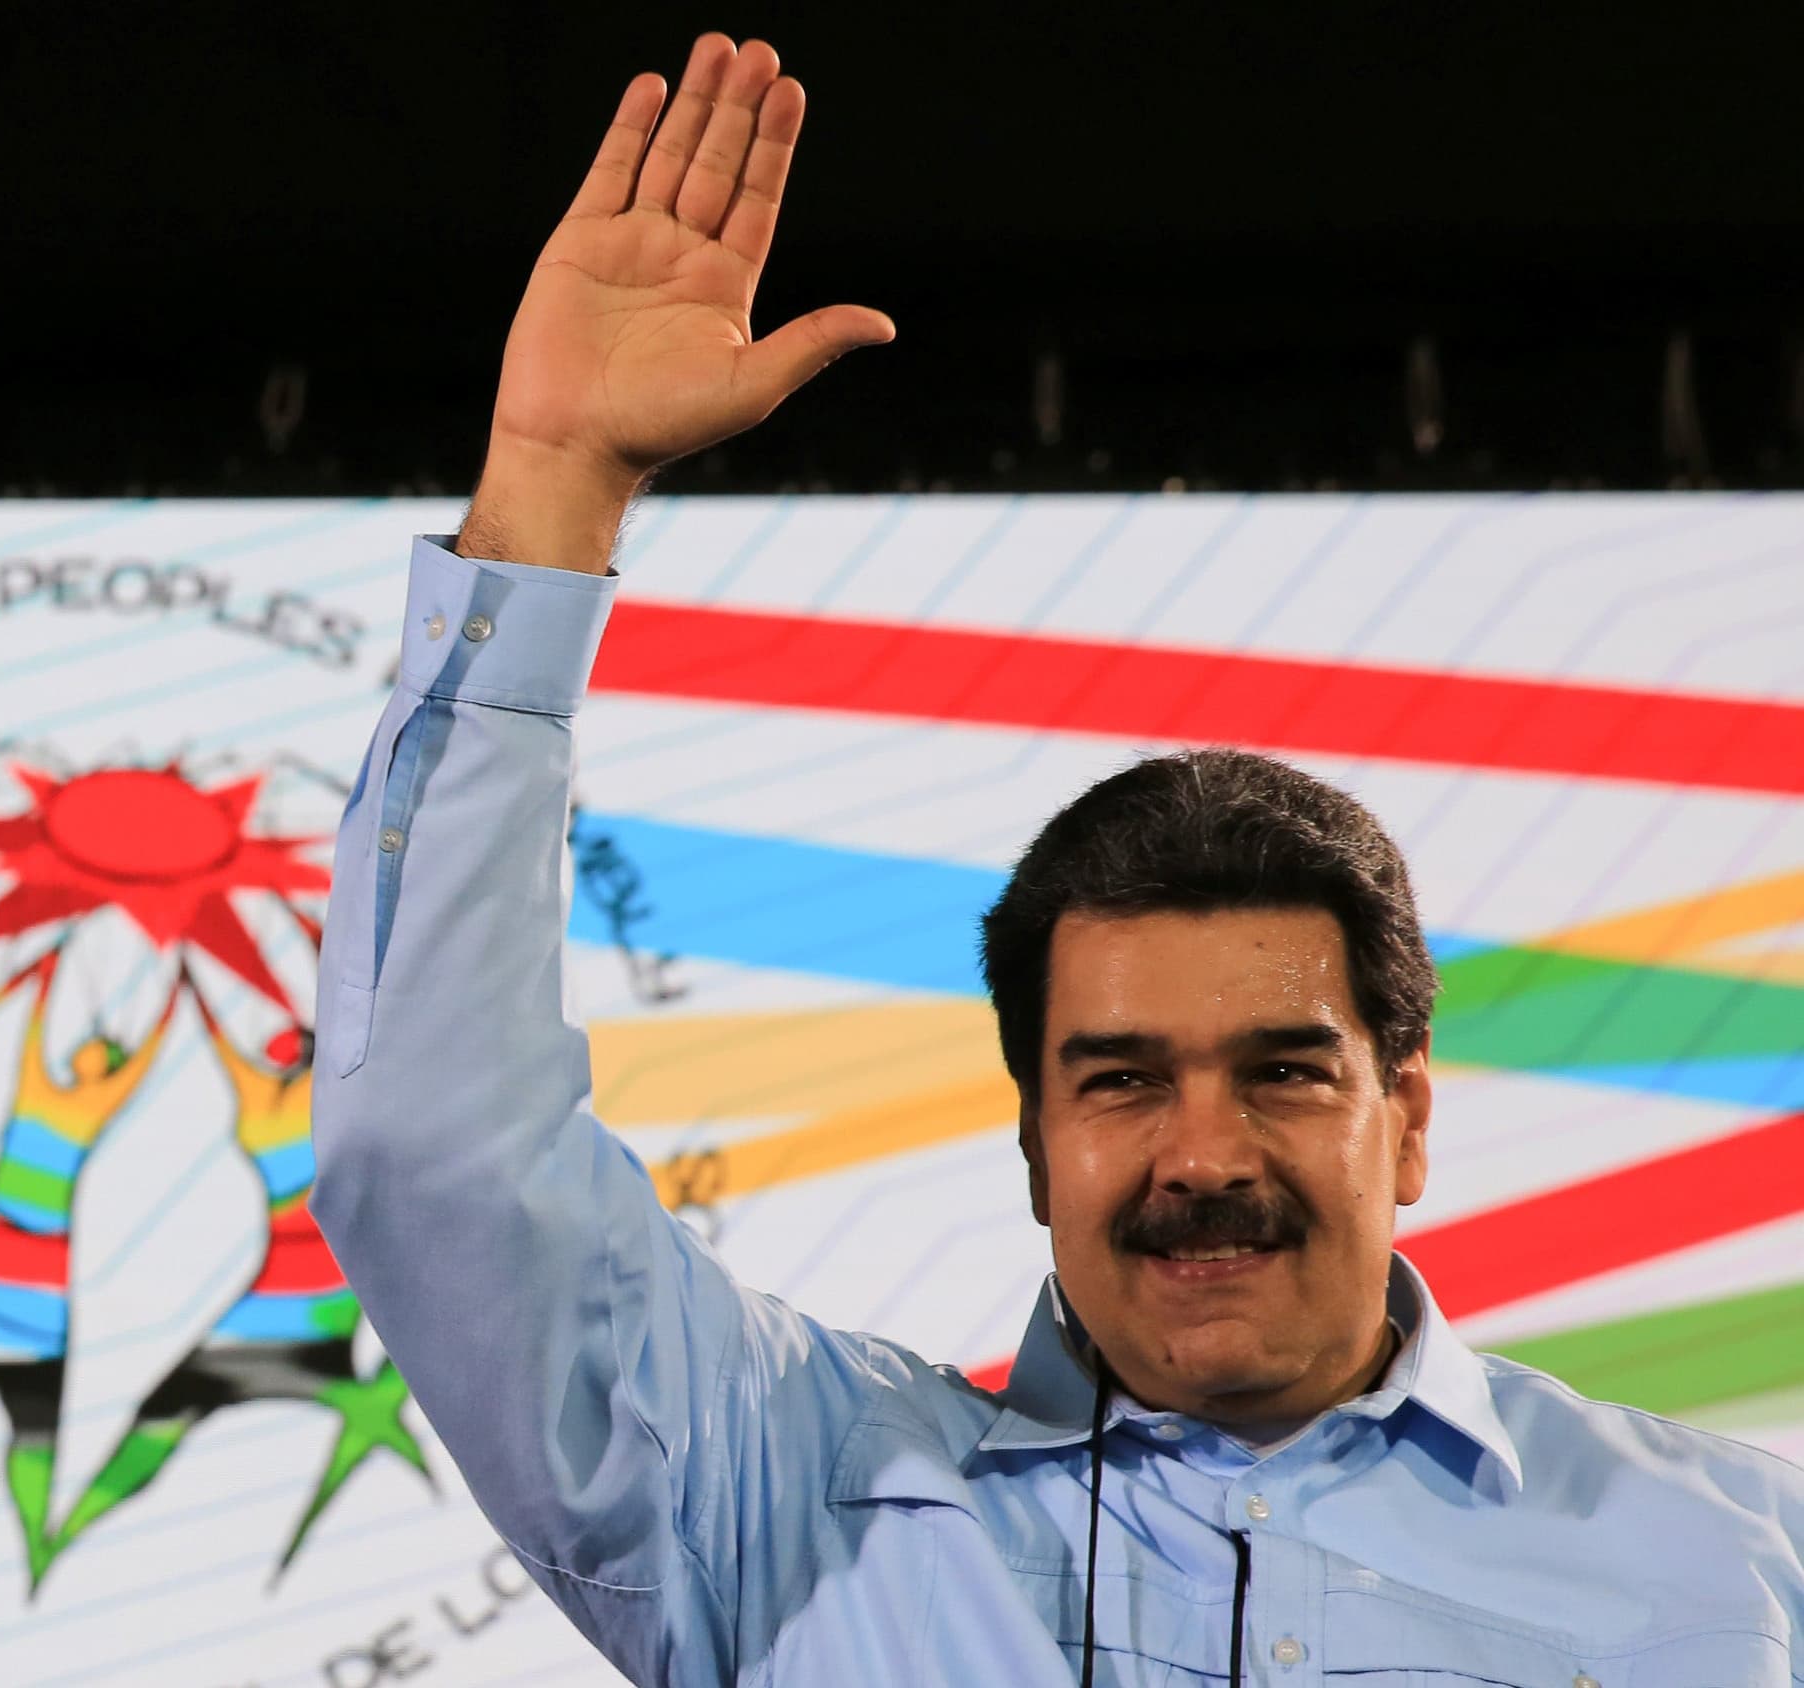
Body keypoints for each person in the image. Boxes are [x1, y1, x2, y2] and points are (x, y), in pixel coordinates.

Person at [305, 31, 1804, 1688]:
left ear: (1415, 1115)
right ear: (1031, 1146)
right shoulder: (786, 1507)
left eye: (1288, 1071)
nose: (1202, 1155)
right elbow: (432, 1151)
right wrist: (551, 487)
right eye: (1119, 1081)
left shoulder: (1743, 1573)